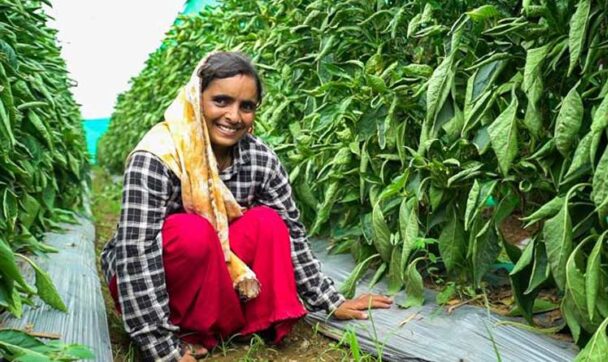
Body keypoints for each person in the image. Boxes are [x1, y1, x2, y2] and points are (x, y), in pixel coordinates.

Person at [100, 51, 392, 362]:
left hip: (212, 278)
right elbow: (137, 252)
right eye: (221, 101)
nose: (233, 116)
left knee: (266, 222)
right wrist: (160, 347)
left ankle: (230, 326)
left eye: (246, 107)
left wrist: (331, 301)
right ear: (196, 100)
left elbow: (291, 231)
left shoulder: (259, 158)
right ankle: (183, 333)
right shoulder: (157, 156)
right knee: (193, 232)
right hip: (155, 282)